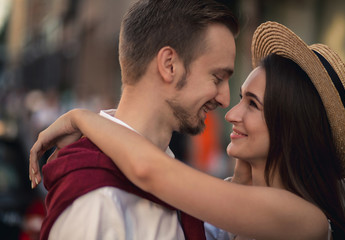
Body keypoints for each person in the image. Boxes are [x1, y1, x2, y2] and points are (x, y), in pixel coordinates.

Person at [30, 21, 345, 239]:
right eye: (240, 97)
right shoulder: (246, 199)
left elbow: (149, 170)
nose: (231, 112)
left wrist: (81, 118)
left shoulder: (306, 220)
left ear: (291, 128)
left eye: (253, 104)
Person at [28, 0, 239, 239]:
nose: (225, 99)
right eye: (217, 77)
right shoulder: (98, 203)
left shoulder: (176, 188)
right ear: (169, 65)